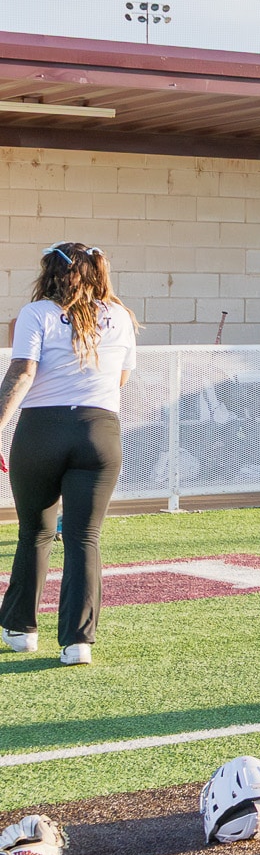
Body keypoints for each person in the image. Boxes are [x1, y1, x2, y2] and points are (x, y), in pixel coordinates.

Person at [0, 243, 139, 666]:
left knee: (35, 532)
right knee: (84, 538)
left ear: (50, 274)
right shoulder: (120, 315)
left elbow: (23, 372)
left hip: (41, 431)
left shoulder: (37, 313)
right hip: (99, 430)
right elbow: (121, 378)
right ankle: (78, 643)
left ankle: (22, 630)